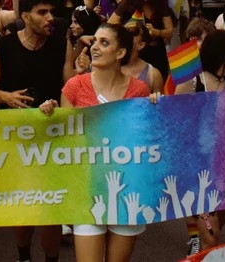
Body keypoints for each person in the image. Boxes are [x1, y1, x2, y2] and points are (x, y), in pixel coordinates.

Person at [48, 23, 151, 262]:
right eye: (95, 40)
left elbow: (146, 141)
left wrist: (155, 108)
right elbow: (67, 142)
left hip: (126, 191)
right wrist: (49, 115)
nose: (95, 47)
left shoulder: (140, 91)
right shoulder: (74, 87)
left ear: (121, 52)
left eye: (104, 42)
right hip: (88, 189)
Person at [0, 0, 75, 262]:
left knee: (51, 209)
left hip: (53, 135)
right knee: (23, 205)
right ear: (25, 17)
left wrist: (62, 109)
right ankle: (23, 256)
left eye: (52, 12)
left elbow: (69, 86)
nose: (50, 18)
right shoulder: (2, 46)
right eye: (42, 12)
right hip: (16, 136)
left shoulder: (62, 44)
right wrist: (5, 96)